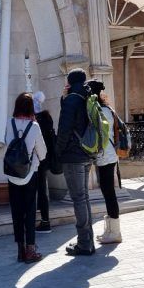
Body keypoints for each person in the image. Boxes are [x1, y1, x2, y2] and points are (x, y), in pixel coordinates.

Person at [55, 68, 96, 256]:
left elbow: (64, 130)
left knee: (79, 199)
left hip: (73, 156)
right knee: (84, 197)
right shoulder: (87, 97)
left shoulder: (72, 100)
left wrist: (57, 152)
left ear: (70, 83)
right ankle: (88, 241)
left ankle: (84, 243)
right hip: (87, 153)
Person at [4, 93, 47, 264]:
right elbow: (42, 153)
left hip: (12, 174)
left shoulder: (10, 123)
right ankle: (30, 250)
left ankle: (20, 250)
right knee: (30, 211)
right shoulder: (34, 126)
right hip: (29, 174)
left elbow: (7, 144)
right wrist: (34, 156)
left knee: (16, 212)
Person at [87, 80, 123, 245]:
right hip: (110, 155)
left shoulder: (97, 111)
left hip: (104, 156)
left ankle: (114, 232)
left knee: (109, 193)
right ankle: (110, 230)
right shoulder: (108, 109)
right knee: (108, 192)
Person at [33, 91, 57, 234]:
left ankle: (45, 222)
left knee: (39, 189)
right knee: (42, 188)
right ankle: (44, 217)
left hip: (38, 159)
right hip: (46, 158)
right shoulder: (47, 118)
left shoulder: (35, 122)